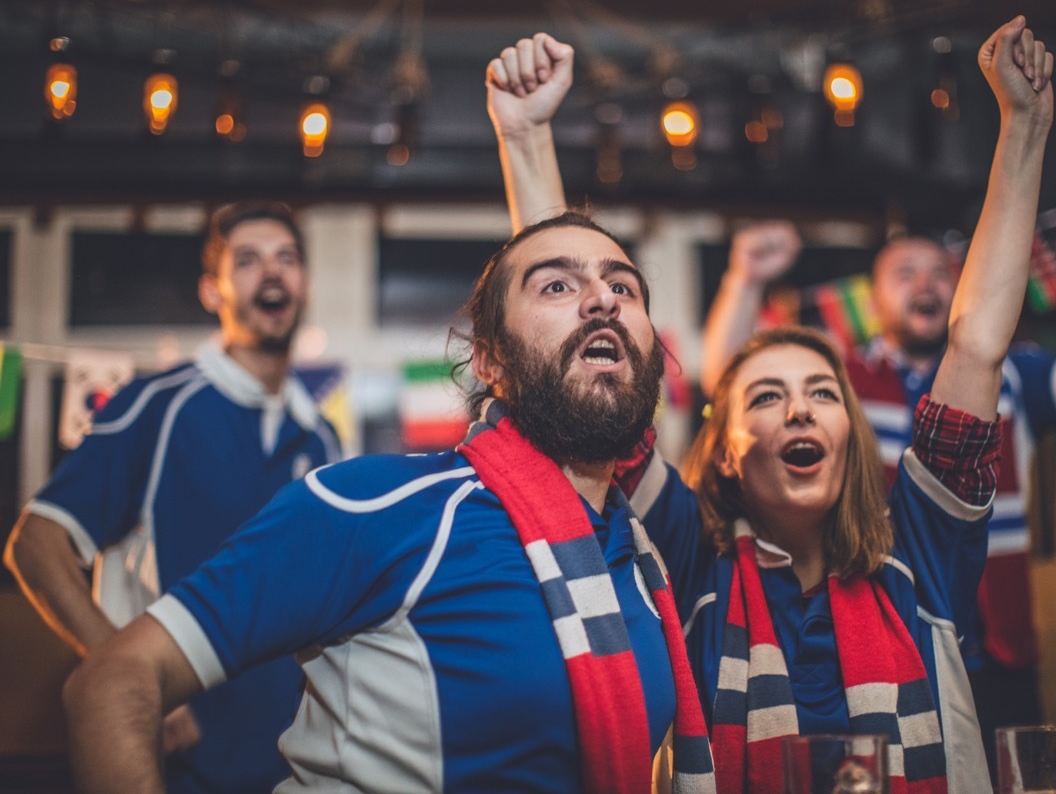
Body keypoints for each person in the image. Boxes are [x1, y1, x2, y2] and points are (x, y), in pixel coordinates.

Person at [490, 16, 1056, 793]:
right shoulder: (688, 563)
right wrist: (526, 138)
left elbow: (977, 344)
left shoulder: (920, 557)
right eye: (767, 396)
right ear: (726, 449)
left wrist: (1024, 125)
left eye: (822, 393)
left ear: (850, 435)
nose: (800, 411)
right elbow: (573, 358)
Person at [59, 207, 717, 793]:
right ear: (490, 361)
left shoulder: (644, 557)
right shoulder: (379, 507)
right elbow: (113, 682)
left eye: (623, 287)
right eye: (557, 285)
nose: (602, 299)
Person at [699, 68, 1056, 790]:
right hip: (888, 606)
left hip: (990, 634)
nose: (926, 283)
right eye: (904, 273)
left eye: (940, 271)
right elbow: (731, 386)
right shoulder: (846, 371)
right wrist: (745, 281)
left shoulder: (1013, 373)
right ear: (873, 299)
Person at [3, 201, 342, 794]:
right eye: (248, 260)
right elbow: (35, 544)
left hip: (294, 767)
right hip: (179, 767)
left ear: (305, 286)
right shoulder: (156, 406)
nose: (272, 272)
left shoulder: (322, 437)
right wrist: (130, 682)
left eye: (286, 258)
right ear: (212, 291)